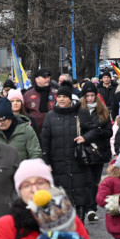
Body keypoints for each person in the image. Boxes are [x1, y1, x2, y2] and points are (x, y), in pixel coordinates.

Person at [40, 83, 97, 221]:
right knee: (61, 195)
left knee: (80, 193)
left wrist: (84, 137)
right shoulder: (51, 116)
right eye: (58, 96)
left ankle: (80, 224)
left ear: (70, 98)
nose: (61, 99)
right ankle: (65, 225)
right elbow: (45, 140)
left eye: (64, 96)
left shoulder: (80, 113)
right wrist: (46, 161)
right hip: (57, 161)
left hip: (77, 160)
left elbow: (94, 130)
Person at [81, 81, 113, 221]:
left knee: (95, 181)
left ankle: (92, 208)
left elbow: (109, 132)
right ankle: (88, 207)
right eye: (87, 95)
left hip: (99, 151)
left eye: (92, 95)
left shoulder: (103, 112)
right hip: (85, 150)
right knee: (86, 180)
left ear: (96, 96)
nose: (89, 98)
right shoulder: (79, 110)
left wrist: (97, 132)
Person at [23, 68, 57, 132]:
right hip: (34, 131)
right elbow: (24, 113)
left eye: (49, 77)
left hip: (54, 131)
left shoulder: (56, 93)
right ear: (37, 79)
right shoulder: (28, 94)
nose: (48, 79)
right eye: (45, 77)